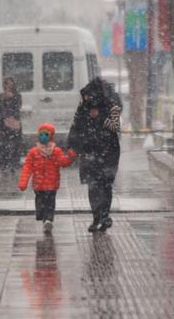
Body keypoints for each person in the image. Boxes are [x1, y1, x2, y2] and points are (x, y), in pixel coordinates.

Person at [68, 77, 122, 233]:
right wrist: (72, 145)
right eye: (84, 97)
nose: (86, 100)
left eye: (88, 97)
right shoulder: (83, 107)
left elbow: (115, 127)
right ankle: (96, 217)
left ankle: (105, 216)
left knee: (105, 185)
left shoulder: (112, 106)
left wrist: (99, 117)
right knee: (93, 186)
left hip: (108, 152)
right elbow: (76, 125)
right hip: (89, 152)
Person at [18, 123, 76, 233]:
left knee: (50, 203)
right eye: (41, 134)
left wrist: (70, 156)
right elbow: (27, 168)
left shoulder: (56, 151)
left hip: (51, 184)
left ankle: (48, 219)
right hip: (38, 185)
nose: (43, 136)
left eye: (46, 134)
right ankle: (43, 217)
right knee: (40, 202)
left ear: (51, 136)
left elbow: (63, 162)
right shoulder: (33, 152)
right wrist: (23, 182)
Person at [0, 77, 22, 172]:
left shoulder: (17, 96)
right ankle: (3, 164)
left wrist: (12, 97)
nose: (9, 86)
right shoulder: (1, 96)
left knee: (15, 145)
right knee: (3, 144)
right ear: (4, 85)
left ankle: (14, 164)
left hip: (15, 124)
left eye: (11, 84)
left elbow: (17, 107)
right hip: (4, 124)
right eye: (7, 84)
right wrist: (0, 123)